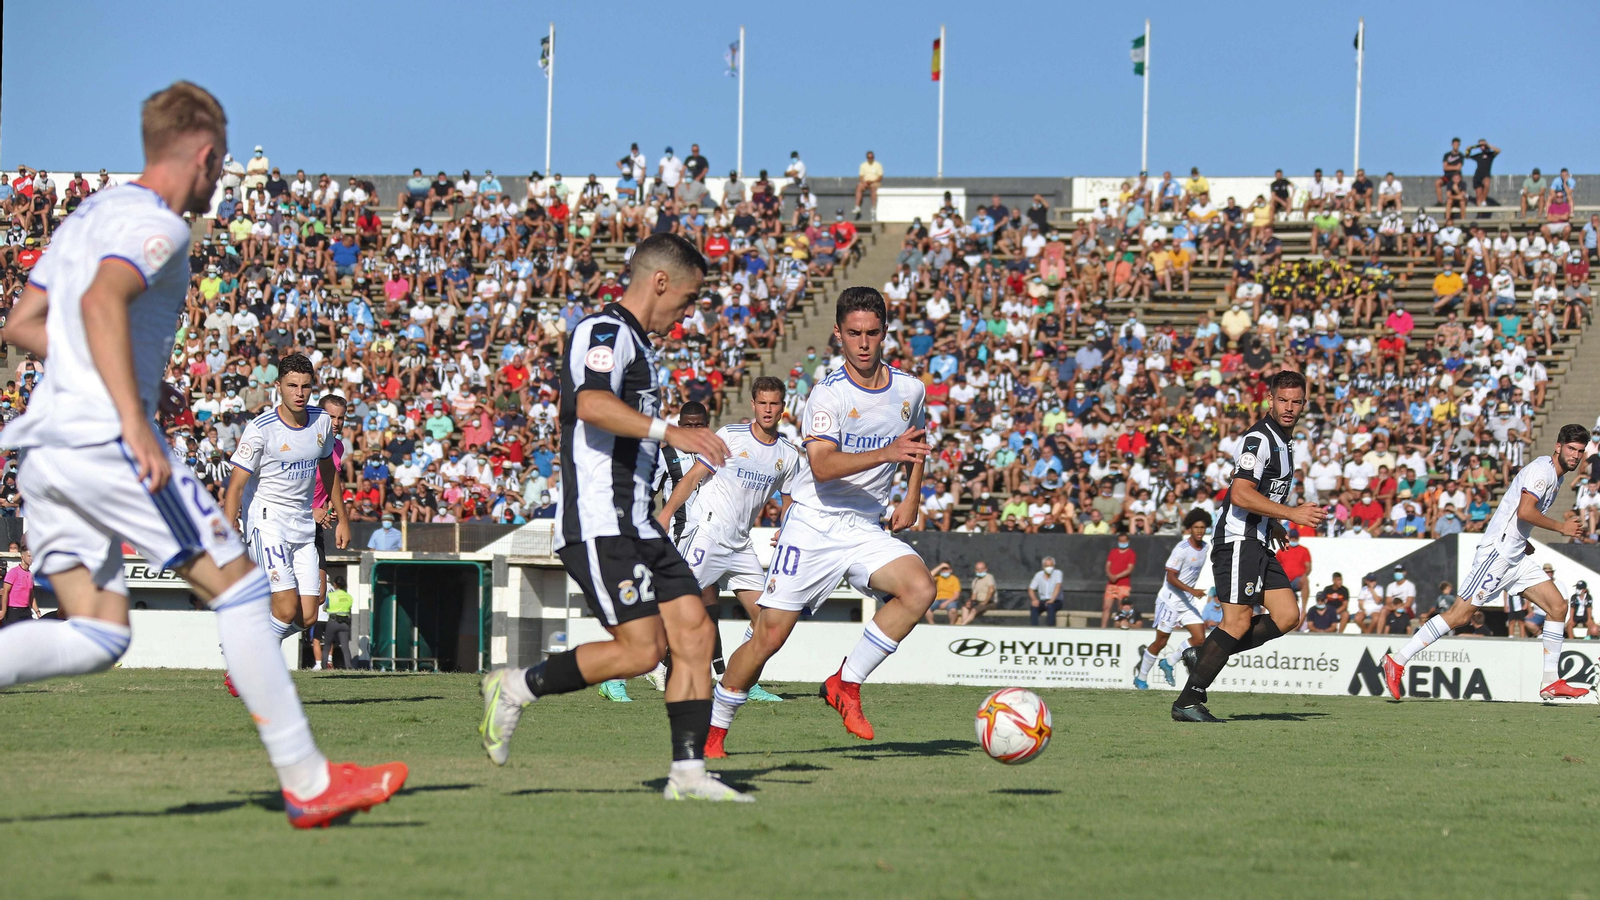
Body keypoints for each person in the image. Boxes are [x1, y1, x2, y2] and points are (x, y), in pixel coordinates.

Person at [0, 82, 404, 827]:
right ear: (208, 154)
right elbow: (98, 304)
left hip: (46, 445)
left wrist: (103, 378)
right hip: (102, 440)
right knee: (244, 590)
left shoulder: (89, 216)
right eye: (220, 170)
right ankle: (310, 783)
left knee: (99, 632)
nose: (219, 185)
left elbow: (25, 322)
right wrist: (130, 413)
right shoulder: (160, 226)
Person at [476, 233, 749, 802]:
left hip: (640, 523)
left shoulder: (643, 347)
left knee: (695, 633)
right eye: (690, 298)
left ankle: (688, 776)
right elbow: (591, 404)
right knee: (640, 652)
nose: (690, 311)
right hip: (600, 524)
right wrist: (671, 430)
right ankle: (515, 688)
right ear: (660, 282)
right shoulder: (604, 332)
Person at [707, 286, 934, 756]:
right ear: (838, 334)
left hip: (865, 526)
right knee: (770, 636)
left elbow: (917, 438)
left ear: (885, 332)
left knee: (920, 589)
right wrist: (887, 454)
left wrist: (912, 495)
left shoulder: (910, 389)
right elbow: (824, 465)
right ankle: (712, 732)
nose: (864, 343)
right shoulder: (826, 395)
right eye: (854, 333)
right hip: (814, 522)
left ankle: (844, 684)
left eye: (873, 333)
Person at [1382, 424, 1592, 702]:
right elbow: (1525, 510)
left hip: (1515, 555)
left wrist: (1523, 539)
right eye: (1571, 449)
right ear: (1558, 446)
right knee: (1460, 615)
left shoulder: (1556, 476)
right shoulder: (1542, 472)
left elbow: (1518, 515)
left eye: (1580, 451)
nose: (1575, 456)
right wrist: (1561, 528)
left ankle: (1550, 681)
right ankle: (1397, 660)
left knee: (1557, 606)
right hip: (1498, 554)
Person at [1172, 370, 1326, 722]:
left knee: (1288, 615)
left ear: (1304, 403)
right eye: (1282, 400)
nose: (1289, 407)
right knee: (1237, 622)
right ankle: (1188, 700)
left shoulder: (1285, 441)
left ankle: (1206, 654)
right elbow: (1240, 493)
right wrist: (1291, 514)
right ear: (1269, 400)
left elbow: (1259, 492)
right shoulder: (1259, 438)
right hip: (1239, 540)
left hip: (1257, 537)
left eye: (1296, 401)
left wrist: (1272, 521)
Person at [655, 377, 798, 705]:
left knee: (770, 621)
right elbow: (692, 478)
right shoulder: (730, 436)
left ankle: (739, 683)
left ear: (782, 407)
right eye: (762, 403)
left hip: (740, 545)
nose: (768, 409)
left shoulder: (788, 455)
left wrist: (786, 528)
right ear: (753, 404)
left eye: (774, 403)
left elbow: (790, 499)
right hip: (708, 534)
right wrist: (665, 515)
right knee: (676, 611)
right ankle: (620, 676)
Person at [223, 355, 351, 679]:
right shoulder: (260, 430)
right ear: (278, 386)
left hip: (302, 526)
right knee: (284, 605)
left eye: (306, 386)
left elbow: (328, 469)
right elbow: (236, 484)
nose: (299, 393)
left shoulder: (321, 421)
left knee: (307, 614)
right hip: (267, 522)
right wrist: (228, 525)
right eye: (292, 385)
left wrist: (344, 519)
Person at [1134, 509, 1211, 690]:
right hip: (1169, 601)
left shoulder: (1206, 547)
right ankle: (1141, 678)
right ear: (1189, 529)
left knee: (1200, 638)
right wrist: (1192, 590)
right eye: (1196, 527)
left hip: (1186, 601)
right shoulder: (1181, 549)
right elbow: (1171, 578)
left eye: (1202, 527)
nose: (1199, 531)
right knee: (1161, 641)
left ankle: (1168, 662)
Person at [322, 573, 355, 669]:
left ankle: (324, 666)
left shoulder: (331, 596)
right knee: (345, 646)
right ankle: (349, 666)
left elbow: (325, 607)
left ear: (335, 584)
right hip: (345, 623)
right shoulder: (349, 596)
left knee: (327, 645)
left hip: (333, 622)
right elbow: (349, 608)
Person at [1101, 536, 1136, 627]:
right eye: (1120, 541)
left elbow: (1129, 569)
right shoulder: (1113, 552)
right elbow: (1108, 565)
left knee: (1122, 607)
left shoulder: (1131, 553)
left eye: (1124, 541)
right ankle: (1102, 628)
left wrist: (1117, 576)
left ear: (1128, 541)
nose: (1122, 543)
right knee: (1106, 607)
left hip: (1123, 585)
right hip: (1111, 584)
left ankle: (1121, 625)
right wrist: (1110, 575)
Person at [2, 548, 37, 625]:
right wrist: (3, 610)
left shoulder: (30, 574)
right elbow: (5, 591)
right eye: (29, 556)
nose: (31, 558)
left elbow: (31, 595)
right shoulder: (14, 572)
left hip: (26, 610)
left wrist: (37, 611)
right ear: (22, 557)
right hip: (14, 610)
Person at [957, 561, 997, 625]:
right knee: (965, 608)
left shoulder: (989, 577)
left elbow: (991, 590)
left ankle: (962, 626)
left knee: (974, 610)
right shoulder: (975, 581)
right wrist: (970, 602)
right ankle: (966, 627)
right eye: (978, 569)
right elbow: (974, 594)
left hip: (990, 602)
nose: (980, 571)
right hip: (978, 602)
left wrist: (985, 602)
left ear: (985, 569)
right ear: (975, 570)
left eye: (982, 569)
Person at [1028, 556, 1064, 627]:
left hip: (1056, 601)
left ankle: (1050, 629)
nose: (1049, 568)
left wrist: (1052, 600)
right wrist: (1034, 600)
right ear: (1043, 566)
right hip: (1043, 601)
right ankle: (1034, 629)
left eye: (1051, 566)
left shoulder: (1058, 573)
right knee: (1034, 607)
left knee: (1050, 606)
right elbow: (1030, 589)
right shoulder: (1039, 575)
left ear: (1054, 566)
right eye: (1047, 566)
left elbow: (1058, 586)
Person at [853, 151, 883, 220]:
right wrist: (864, 182)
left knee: (873, 187)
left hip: (875, 182)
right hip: (866, 182)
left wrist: (872, 181)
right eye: (869, 157)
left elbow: (880, 177)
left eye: (871, 157)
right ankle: (857, 206)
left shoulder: (878, 165)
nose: (870, 159)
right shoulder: (863, 165)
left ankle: (873, 207)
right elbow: (861, 176)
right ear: (867, 158)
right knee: (859, 187)